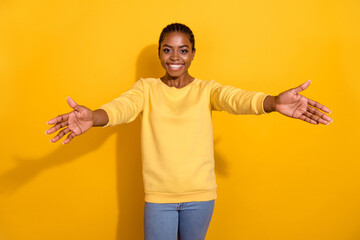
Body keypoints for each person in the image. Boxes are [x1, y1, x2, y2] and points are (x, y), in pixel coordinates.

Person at [45, 23, 332, 240]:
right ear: (160, 52)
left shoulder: (206, 90)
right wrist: (93, 117)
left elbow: (237, 99)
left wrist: (272, 102)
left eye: (183, 50)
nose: (175, 57)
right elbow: (123, 108)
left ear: (192, 54)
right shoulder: (146, 89)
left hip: (201, 196)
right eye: (167, 49)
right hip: (159, 198)